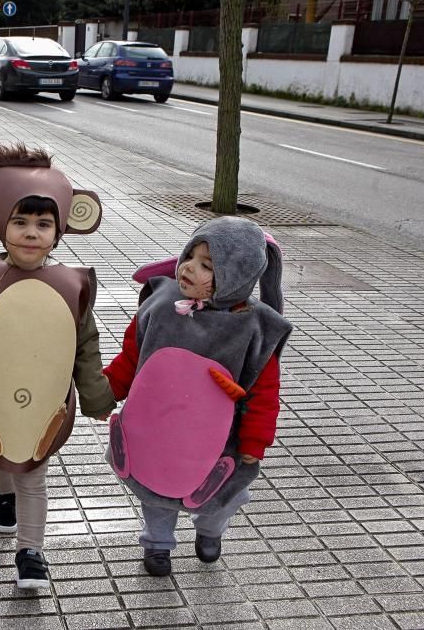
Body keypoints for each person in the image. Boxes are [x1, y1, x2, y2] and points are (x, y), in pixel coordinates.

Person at [0, 144, 114, 588]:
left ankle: (30, 551)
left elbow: (84, 345)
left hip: (43, 404)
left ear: (61, 229)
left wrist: (94, 393)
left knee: (33, 467)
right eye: (19, 221)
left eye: (42, 223)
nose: (30, 233)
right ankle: (2, 496)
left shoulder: (72, 284)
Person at [103, 217, 293, 577]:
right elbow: (133, 357)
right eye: (189, 256)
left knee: (218, 493)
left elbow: (264, 394)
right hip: (158, 426)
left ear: (236, 275)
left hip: (218, 438)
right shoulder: (162, 305)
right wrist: (106, 390)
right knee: (155, 486)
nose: (189, 268)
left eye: (207, 265)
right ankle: (157, 544)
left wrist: (255, 440)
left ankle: (210, 530)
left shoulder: (253, 328)